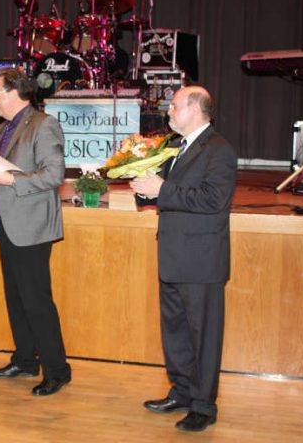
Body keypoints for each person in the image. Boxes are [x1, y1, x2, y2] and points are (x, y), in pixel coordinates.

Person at [0, 68, 71, 396]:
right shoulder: (4, 129)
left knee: (36, 301)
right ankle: (24, 359)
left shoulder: (43, 124)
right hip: (7, 224)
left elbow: (54, 175)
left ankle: (57, 370)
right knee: (17, 298)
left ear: (14, 93)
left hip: (31, 227)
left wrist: (13, 181)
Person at [131, 86, 237, 432]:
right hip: (174, 256)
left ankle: (204, 406)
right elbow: (174, 197)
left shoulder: (218, 149)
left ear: (195, 108)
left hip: (201, 260)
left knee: (203, 335)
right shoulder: (178, 147)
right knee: (175, 332)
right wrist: (147, 192)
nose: (169, 112)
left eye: (174, 106)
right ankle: (181, 391)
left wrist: (161, 189)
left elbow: (212, 201)